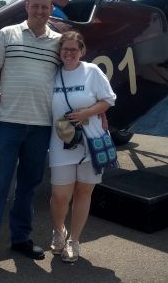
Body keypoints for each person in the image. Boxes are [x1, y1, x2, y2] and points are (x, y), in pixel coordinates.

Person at [0, 0, 62, 278]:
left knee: (28, 187)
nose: (40, 11)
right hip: (9, 123)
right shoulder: (7, 34)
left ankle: (20, 239)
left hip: (41, 126)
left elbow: (70, 75)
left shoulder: (58, 41)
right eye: (35, 6)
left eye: (46, 7)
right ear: (27, 8)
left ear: (51, 10)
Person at [48, 31, 116, 263]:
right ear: (60, 51)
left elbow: (108, 99)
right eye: (65, 49)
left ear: (82, 51)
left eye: (73, 50)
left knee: (83, 192)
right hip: (61, 142)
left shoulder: (92, 72)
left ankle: (74, 240)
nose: (68, 54)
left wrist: (87, 113)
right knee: (60, 195)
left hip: (90, 141)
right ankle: (59, 230)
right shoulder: (53, 75)